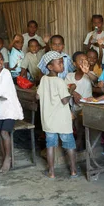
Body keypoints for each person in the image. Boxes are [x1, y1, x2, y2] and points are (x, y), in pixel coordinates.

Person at [37, 51, 79, 179]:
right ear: (50, 67)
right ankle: (73, 171)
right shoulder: (60, 81)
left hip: (48, 121)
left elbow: (37, 96)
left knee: (50, 145)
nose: (63, 65)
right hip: (62, 121)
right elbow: (65, 100)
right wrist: (71, 90)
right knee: (69, 145)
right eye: (59, 63)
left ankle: (51, 172)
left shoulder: (43, 79)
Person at [65, 51, 94, 151]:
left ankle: (79, 140)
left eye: (85, 60)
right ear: (74, 64)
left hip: (87, 107)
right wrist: (74, 93)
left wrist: (88, 72)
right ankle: (74, 141)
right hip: (73, 107)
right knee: (70, 119)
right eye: (80, 60)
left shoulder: (89, 75)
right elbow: (66, 88)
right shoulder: (69, 76)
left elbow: (97, 81)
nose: (83, 62)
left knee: (81, 119)